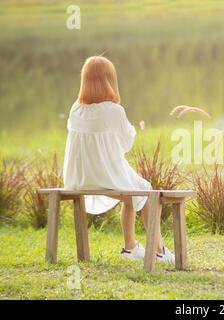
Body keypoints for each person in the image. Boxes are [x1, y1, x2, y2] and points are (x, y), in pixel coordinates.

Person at [63, 55, 174, 263]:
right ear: (109, 81)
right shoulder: (114, 111)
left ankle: (130, 247)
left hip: (76, 179)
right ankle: (159, 250)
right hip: (105, 178)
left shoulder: (75, 109)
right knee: (146, 190)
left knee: (134, 190)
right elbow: (125, 145)